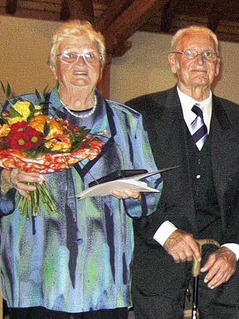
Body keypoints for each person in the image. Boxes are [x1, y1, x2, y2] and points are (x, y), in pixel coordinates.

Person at [0, 20, 161, 318]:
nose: (80, 63)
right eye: (69, 55)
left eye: (90, 56)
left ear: (100, 66)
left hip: (103, 280)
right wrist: (7, 179)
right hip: (35, 278)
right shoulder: (19, 114)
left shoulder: (127, 122)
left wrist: (135, 195)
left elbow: (152, 191)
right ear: (53, 66)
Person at [126, 26, 239, 319]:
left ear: (218, 67)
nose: (200, 61)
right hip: (158, 248)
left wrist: (232, 249)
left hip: (221, 257)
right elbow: (131, 187)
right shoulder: (140, 113)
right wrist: (167, 233)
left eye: (208, 55)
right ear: (173, 62)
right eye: (191, 53)